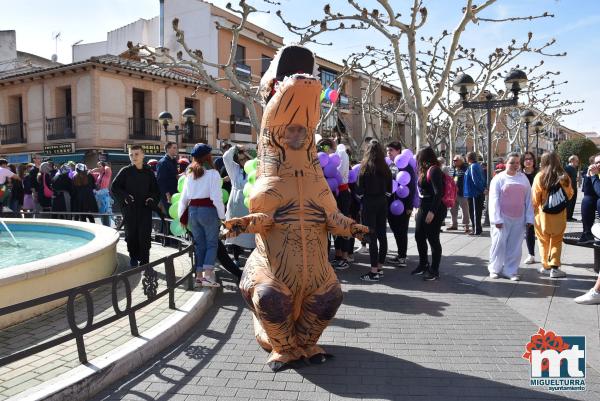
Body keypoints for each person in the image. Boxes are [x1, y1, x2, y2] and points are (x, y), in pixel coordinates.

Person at [178, 143, 224, 287]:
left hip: (193, 211)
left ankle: (198, 277)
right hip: (208, 211)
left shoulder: (189, 173)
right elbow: (216, 197)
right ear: (208, 156)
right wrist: (223, 216)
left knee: (200, 245)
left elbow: (183, 198)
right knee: (212, 243)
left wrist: (181, 216)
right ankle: (208, 276)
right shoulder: (213, 173)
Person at [111, 145, 160, 267]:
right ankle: (133, 257)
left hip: (145, 210)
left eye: (136, 154)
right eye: (131, 155)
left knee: (144, 236)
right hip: (130, 211)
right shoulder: (125, 171)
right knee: (131, 235)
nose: (134, 157)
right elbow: (115, 187)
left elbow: (156, 191)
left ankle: (145, 262)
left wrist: (151, 199)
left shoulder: (149, 172)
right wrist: (125, 196)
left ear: (143, 155)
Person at [487, 153, 534, 281]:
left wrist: (529, 218)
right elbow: (494, 200)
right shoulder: (498, 179)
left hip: (519, 218)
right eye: (512, 162)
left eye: (517, 162)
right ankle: (494, 269)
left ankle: (510, 271)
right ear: (506, 163)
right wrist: (496, 219)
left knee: (515, 246)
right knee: (498, 244)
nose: (515, 165)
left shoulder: (523, 178)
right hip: (502, 218)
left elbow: (529, 199)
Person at [531, 152, 574, 278]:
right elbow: (570, 194)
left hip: (542, 216)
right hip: (559, 215)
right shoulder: (564, 176)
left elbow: (534, 198)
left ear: (543, 161)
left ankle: (546, 266)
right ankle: (554, 268)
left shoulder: (540, 176)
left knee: (543, 241)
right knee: (556, 241)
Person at [357, 140, 392, 281]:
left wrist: (363, 199)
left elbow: (359, 190)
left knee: (371, 237)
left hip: (369, 203)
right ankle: (380, 267)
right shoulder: (386, 168)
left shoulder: (365, 167)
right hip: (382, 202)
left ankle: (373, 272)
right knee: (382, 235)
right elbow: (390, 189)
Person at [412, 146, 447, 281]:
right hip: (423, 206)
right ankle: (423, 264)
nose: (416, 158)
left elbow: (439, 193)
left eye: (418, 156)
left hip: (434, 208)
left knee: (433, 238)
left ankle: (434, 270)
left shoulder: (434, 170)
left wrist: (432, 212)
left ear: (424, 157)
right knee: (419, 235)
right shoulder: (424, 170)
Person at [223, 144, 255, 265]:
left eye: (245, 159)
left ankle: (252, 261)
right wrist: (235, 147)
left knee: (250, 233)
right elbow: (226, 157)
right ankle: (236, 259)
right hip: (235, 206)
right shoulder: (235, 170)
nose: (242, 162)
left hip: (248, 206)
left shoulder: (255, 170)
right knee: (235, 235)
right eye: (240, 159)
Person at [386, 141, 416, 267]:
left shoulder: (406, 166)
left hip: (403, 205)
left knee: (401, 230)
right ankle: (400, 255)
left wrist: (409, 206)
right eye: (387, 151)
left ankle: (402, 257)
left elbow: (411, 187)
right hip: (392, 204)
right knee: (395, 228)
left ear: (398, 151)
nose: (389, 153)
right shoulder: (391, 165)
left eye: (391, 150)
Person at [578, 154, 600, 244]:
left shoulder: (595, 175)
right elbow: (586, 192)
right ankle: (587, 233)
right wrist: (588, 175)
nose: (599, 164)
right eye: (597, 162)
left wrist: (594, 176)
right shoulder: (594, 173)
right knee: (587, 200)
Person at [521, 151, 538, 264]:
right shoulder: (519, 174)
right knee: (529, 231)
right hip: (524, 206)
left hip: (539, 206)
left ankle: (547, 254)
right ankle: (531, 254)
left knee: (542, 231)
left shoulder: (539, 173)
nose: (528, 161)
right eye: (526, 159)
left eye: (530, 159)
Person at [464, 152, 486, 236]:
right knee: (476, 212)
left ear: (468, 158)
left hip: (474, 193)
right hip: (474, 193)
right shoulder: (477, 166)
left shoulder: (473, 166)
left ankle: (476, 230)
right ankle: (477, 229)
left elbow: (475, 180)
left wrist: (482, 189)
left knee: (474, 213)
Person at [447, 155, 469, 232]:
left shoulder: (466, 168)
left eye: (456, 160)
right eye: (453, 160)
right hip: (453, 193)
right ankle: (454, 224)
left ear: (461, 161)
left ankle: (466, 225)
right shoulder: (453, 168)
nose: (454, 161)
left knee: (464, 210)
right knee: (453, 210)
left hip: (462, 193)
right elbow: (452, 178)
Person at [156, 142, 179, 212]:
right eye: (174, 148)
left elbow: (174, 176)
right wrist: (167, 194)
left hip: (175, 193)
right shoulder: (163, 162)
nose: (177, 150)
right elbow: (161, 180)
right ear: (168, 149)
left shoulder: (174, 161)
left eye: (176, 148)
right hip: (168, 195)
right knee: (169, 215)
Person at [91, 161, 113, 226]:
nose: (98, 167)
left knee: (107, 211)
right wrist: (95, 170)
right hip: (98, 195)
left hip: (104, 194)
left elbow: (107, 168)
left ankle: (110, 225)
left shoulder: (107, 173)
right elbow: (90, 173)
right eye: (98, 166)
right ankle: (104, 226)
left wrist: (103, 166)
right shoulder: (99, 174)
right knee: (102, 212)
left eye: (100, 166)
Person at [565, 155, 580, 222]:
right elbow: (566, 179)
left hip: (574, 188)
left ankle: (570, 216)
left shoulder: (573, 168)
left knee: (573, 203)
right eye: (576, 161)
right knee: (569, 203)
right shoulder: (567, 168)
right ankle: (567, 217)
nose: (578, 162)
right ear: (572, 161)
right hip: (569, 189)